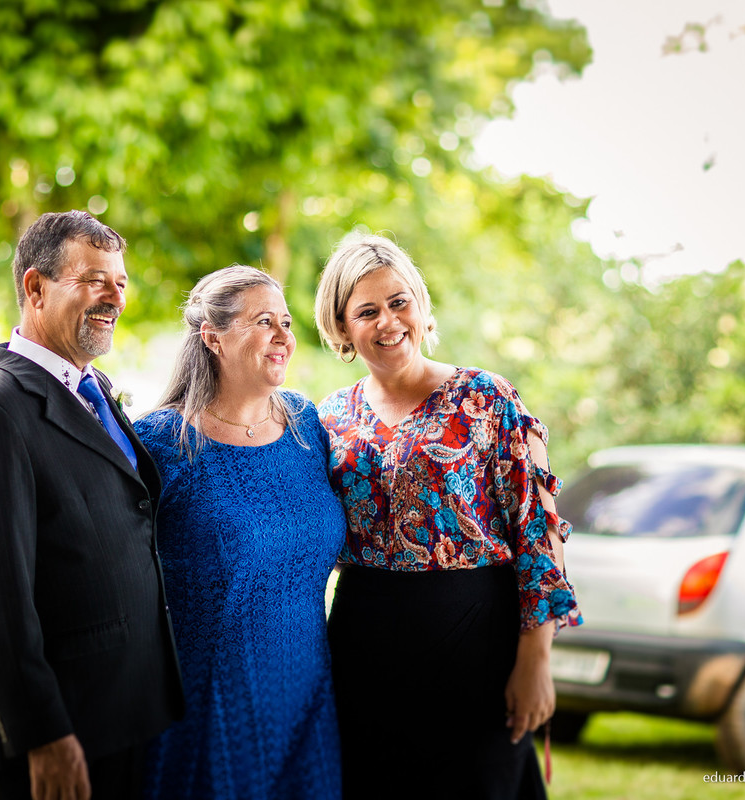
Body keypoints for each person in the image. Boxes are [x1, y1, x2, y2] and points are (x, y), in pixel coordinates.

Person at [313, 233, 582, 800]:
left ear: (421, 305)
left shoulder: (487, 398)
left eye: (399, 302)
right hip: (364, 644)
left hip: (476, 640)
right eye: (367, 311)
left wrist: (536, 659)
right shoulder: (329, 419)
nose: (388, 322)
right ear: (342, 327)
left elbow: (539, 533)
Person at [0, 210, 183, 800]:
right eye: (94, 280)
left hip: (122, 716)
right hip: (57, 732)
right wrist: (43, 734)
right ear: (36, 288)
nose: (115, 297)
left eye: (120, 282)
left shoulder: (95, 393)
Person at [133, 265, 345, 799]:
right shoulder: (160, 443)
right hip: (211, 705)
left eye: (286, 322)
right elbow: (100, 545)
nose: (283, 336)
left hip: (307, 697)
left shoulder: (305, 425)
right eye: (263, 321)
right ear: (213, 337)